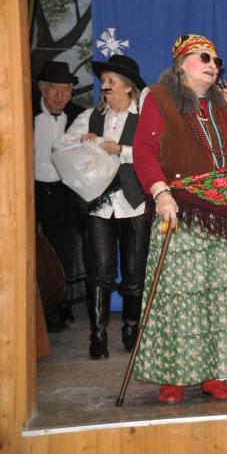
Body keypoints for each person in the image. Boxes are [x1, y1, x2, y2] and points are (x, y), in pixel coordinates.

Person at [132, 34, 227, 403]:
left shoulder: (226, 105)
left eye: (216, 60)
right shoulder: (159, 97)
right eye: (203, 57)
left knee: (221, 300)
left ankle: (214, 374)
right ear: (181, 64)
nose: (213, 65)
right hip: (183, 212)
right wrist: (161, 193)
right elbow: (144, 151)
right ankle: (174, 378)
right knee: (182, 299)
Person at [57, 54, 149, 359]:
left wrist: (120, 150)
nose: (104, 86)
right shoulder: (90, 116)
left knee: (134, 272)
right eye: (103, 81)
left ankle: (131, 330)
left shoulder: (146, 117)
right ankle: (97, 336)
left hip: (134, 204)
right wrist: (84, 142)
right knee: (99, 272)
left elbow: (157, 154)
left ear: (128, 87)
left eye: (111, 81)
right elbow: (64, 146)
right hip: (98, 205)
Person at [33, 61, 87, 331]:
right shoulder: (26, 114)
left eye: (66, 91)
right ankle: (30, 310)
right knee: (26, 251)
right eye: (55, 89)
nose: (60, 96)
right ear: (42, 88)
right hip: (29, 192)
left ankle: (55, 308)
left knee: (63, 252)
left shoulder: (79, 116)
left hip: (63, 194)